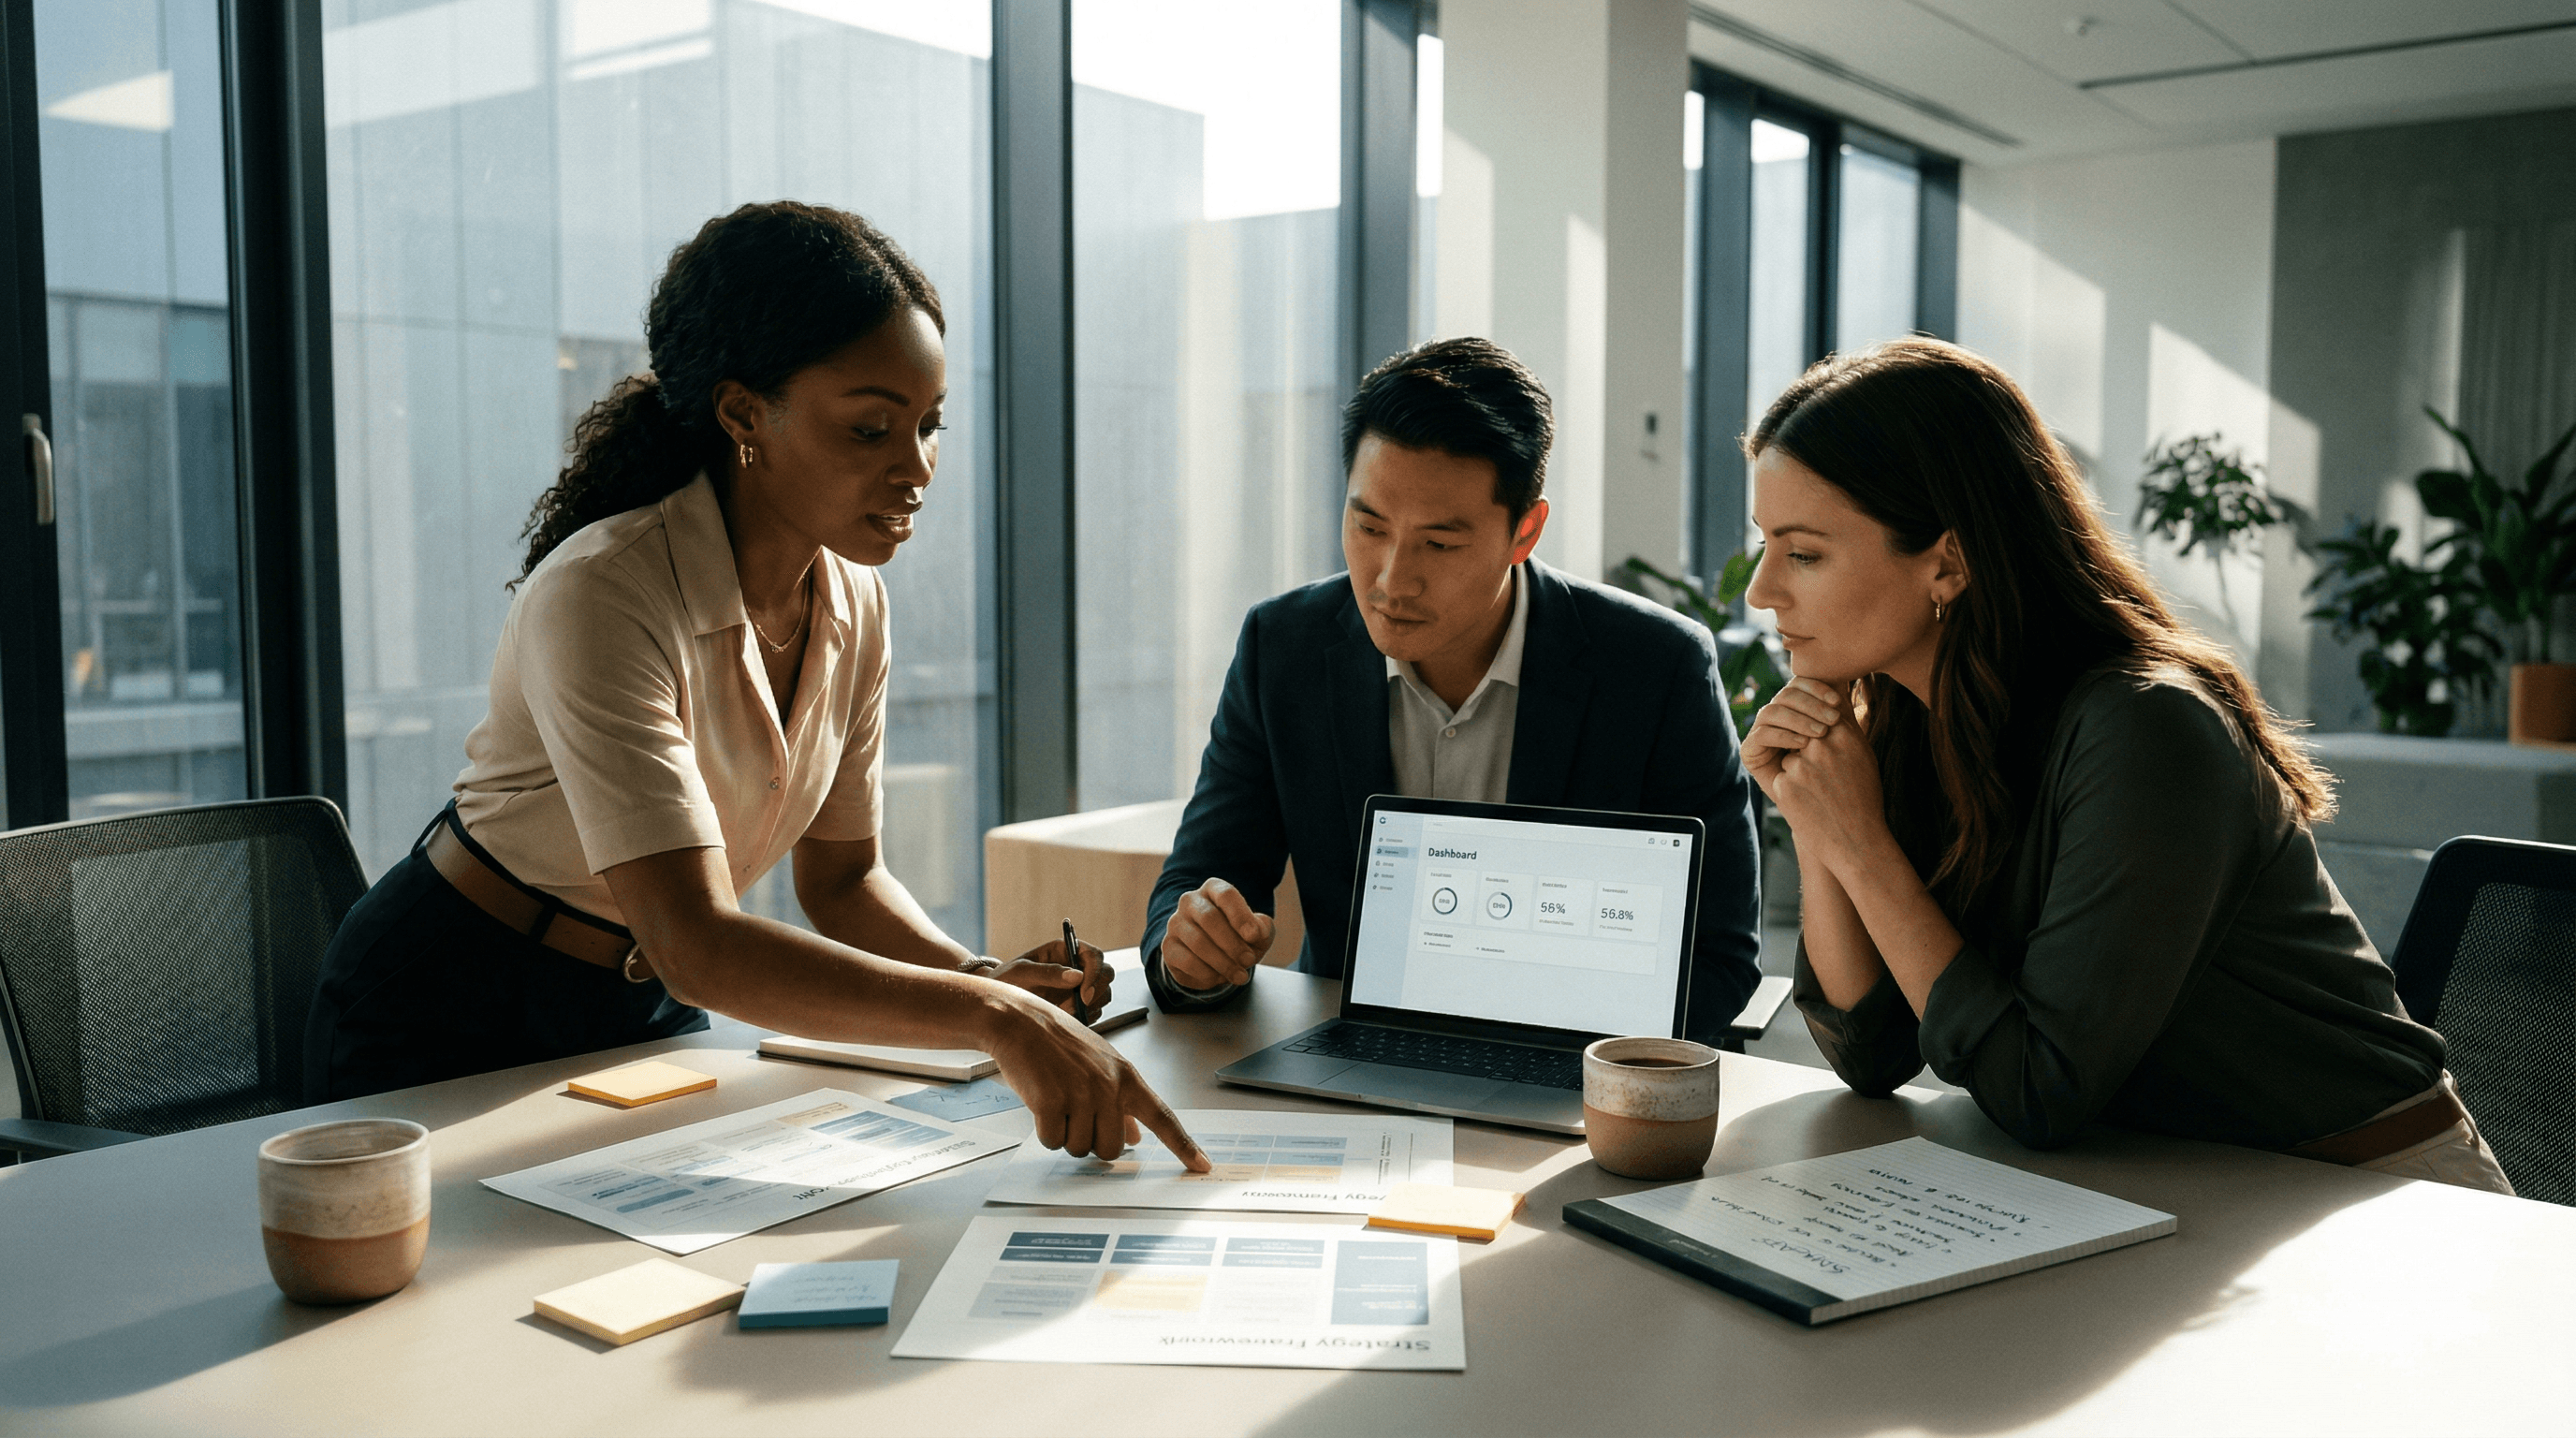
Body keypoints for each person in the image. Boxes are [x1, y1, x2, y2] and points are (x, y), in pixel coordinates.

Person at [305, 202, 1204, 1170]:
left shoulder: (853, 601)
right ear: (743, 415)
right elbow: (697, 938)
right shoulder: (605, 589)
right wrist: (991, 1017)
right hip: (448, 1001)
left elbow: (844, 879)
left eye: (930, 424)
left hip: (641, 1006)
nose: (916, 468)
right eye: (870, 428)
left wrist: (987, 980)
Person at [1741, 336, 2511, 1194]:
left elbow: (2037, 1089)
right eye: (1767, 546)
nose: (1762, 590)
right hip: (2156, 1181)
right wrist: (1821, 823)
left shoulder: (2148, 728)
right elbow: (1871, 1050)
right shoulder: (1908, 718)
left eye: (1803, 553)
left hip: (2370, 1196)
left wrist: (1860, 845)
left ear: (1949, 563)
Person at [1142, 338, 1764, 1044]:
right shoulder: (1282, 648)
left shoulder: (1656, 668)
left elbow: (1720, 956)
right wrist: (1192, 953)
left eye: (1439, 544)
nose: (1390, 580)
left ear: (1523, 532)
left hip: (1576, 1066)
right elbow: (1198, 880)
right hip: (1349, 1049)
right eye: (1368, 525)